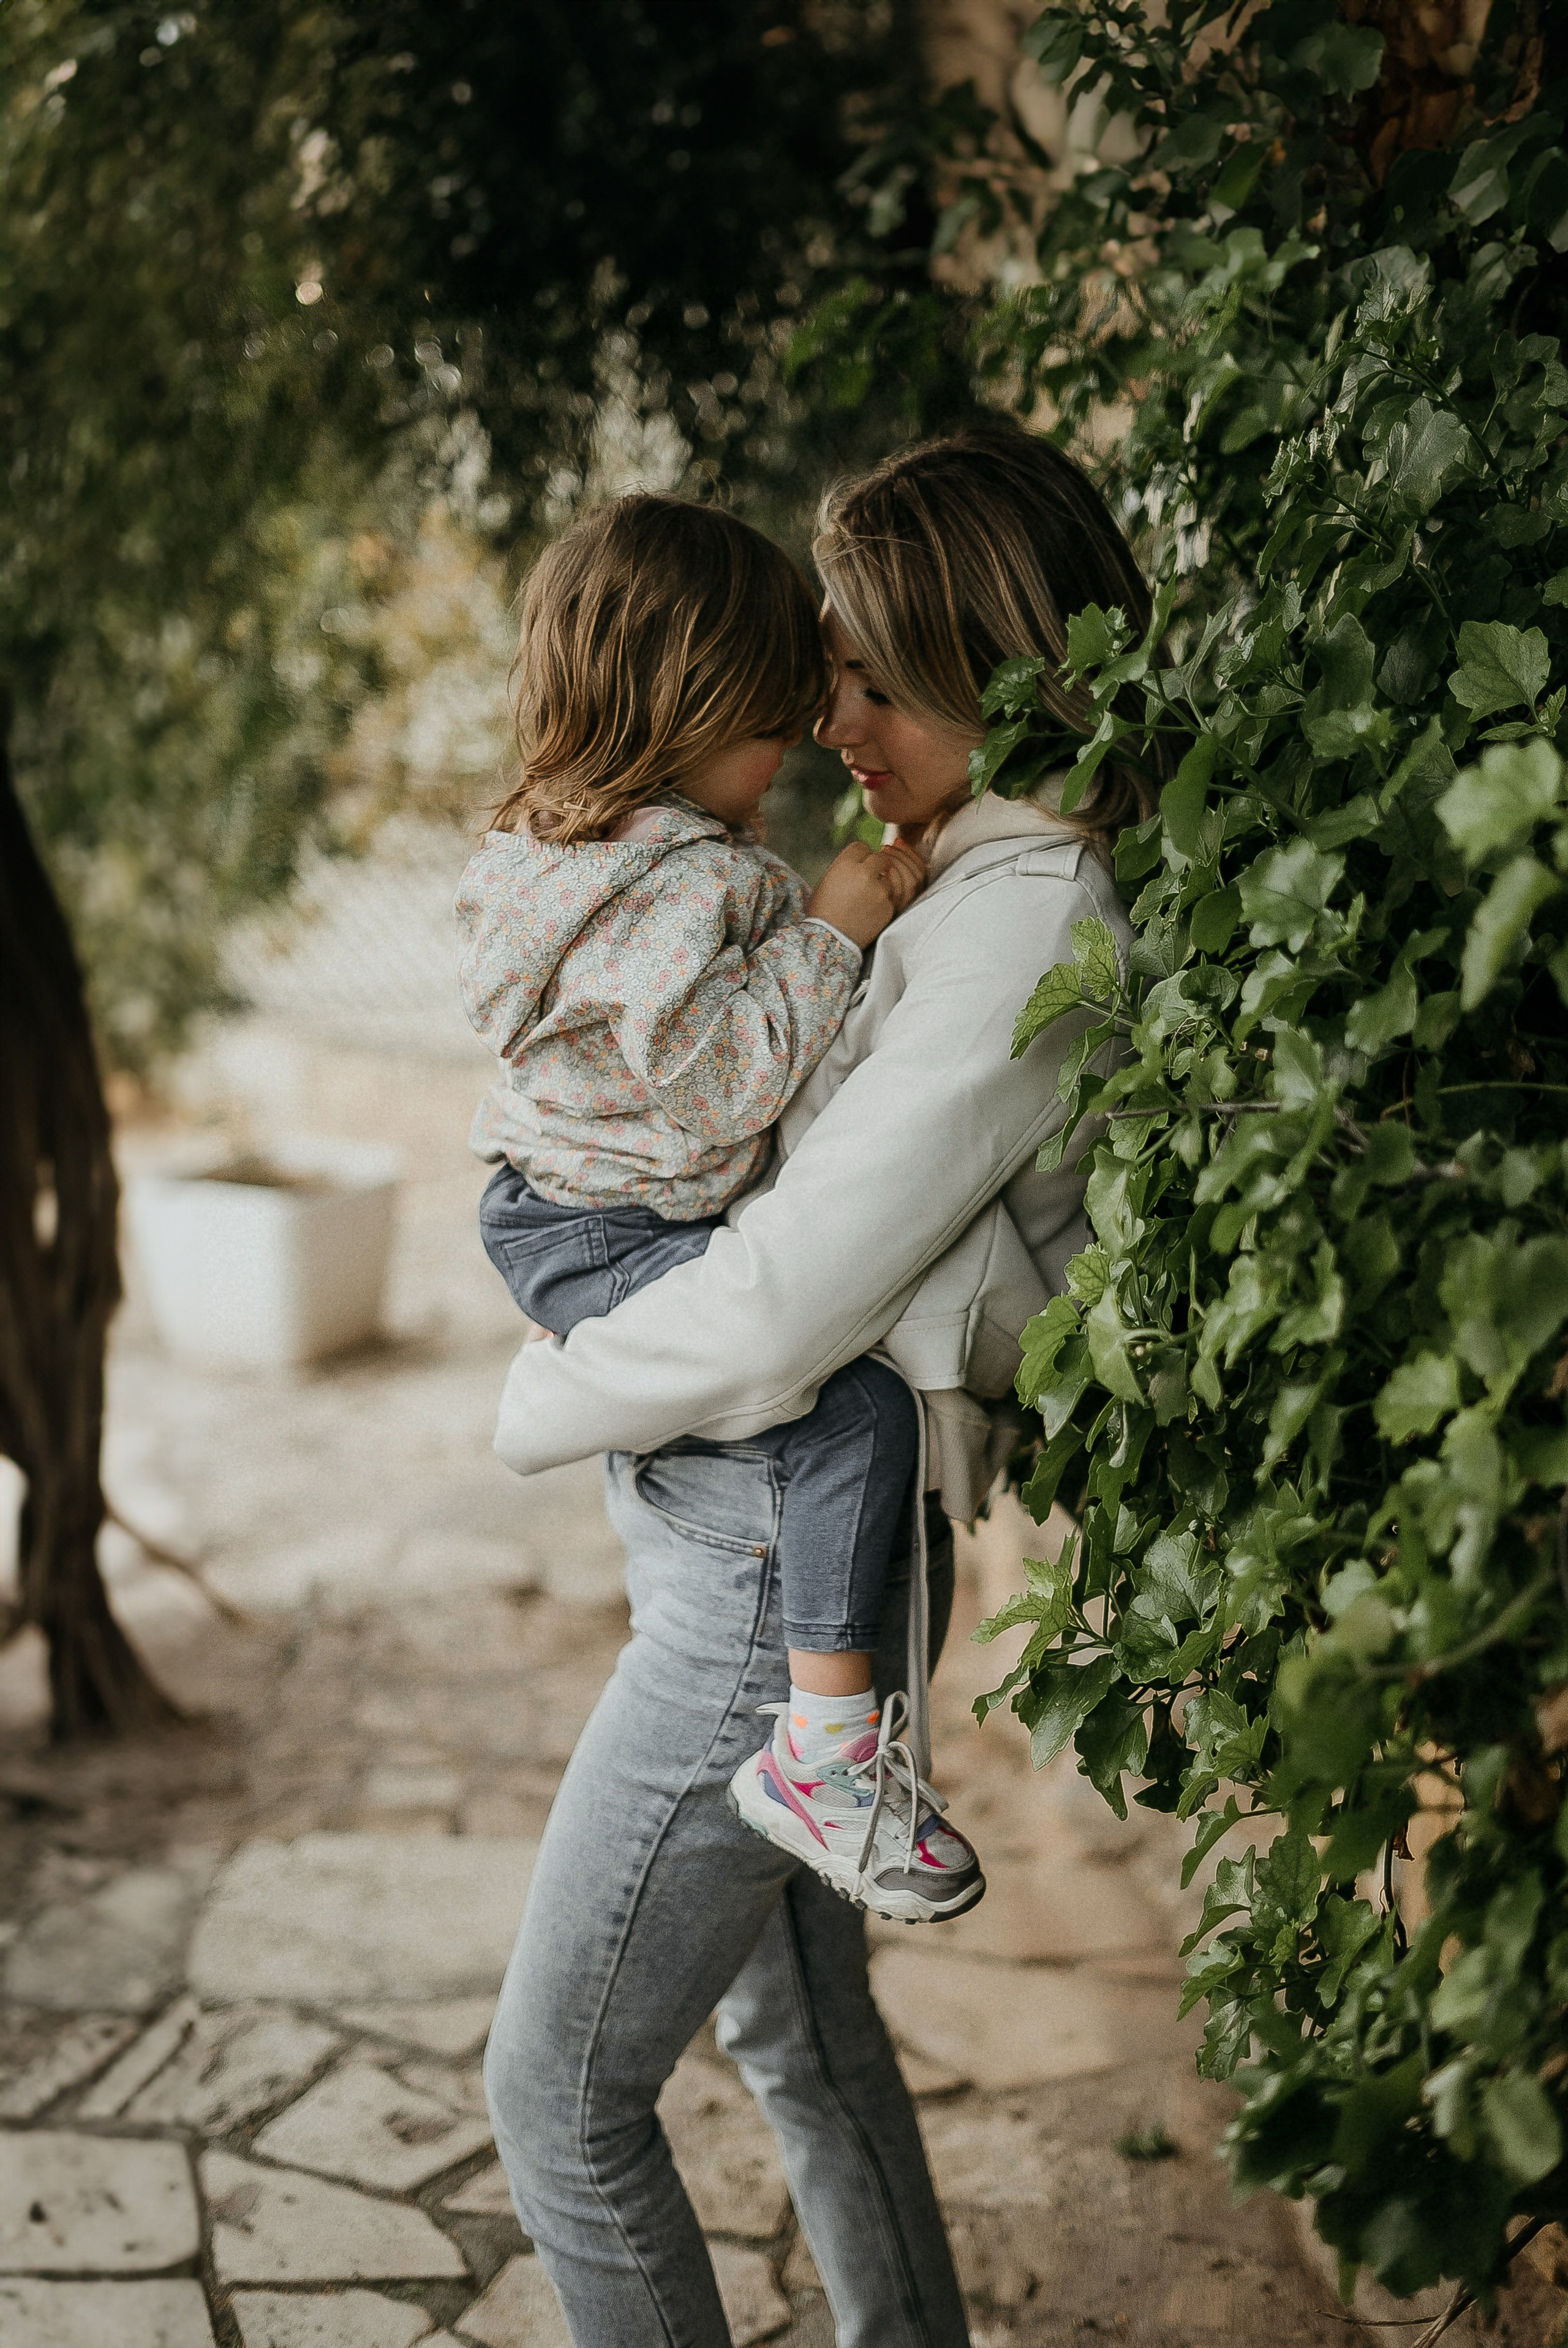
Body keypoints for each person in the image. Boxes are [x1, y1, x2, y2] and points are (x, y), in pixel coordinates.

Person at [481, 423, 1159, 2348]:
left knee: (559, 2096)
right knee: (793, 2017)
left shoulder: (1027, 925)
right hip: (750, 1520)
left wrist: (544, 1398)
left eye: (869, 671)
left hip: (765, 1568)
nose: (829, 713)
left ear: (998, 666)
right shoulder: (958, 880)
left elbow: (785, 1309)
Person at [458, 493, 987, 1923]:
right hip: (602, 1227)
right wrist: (831, 930)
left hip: (560, 1207)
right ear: (686, 713)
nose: (808, 741)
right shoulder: (675, 886)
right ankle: (819, 1754)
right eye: (779, 718)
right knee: (853, 1419)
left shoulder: (577, 853)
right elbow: (715, 1092)